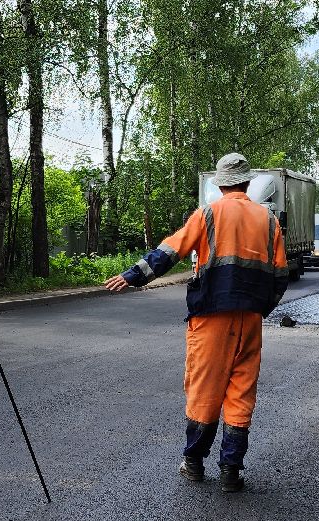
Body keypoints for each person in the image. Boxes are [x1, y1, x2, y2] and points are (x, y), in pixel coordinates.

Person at [102, 152, 289, 492]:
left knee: (204, 391)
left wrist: (131, 276)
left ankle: (194, 463)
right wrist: (261, 309)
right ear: (246, 182)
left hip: (211, 318)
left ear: (220, 184)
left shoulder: (209, 214)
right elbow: (280, 276)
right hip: (250, 320)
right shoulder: (269, 221)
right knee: (240, 393)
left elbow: (170, 251)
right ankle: (231, 470)